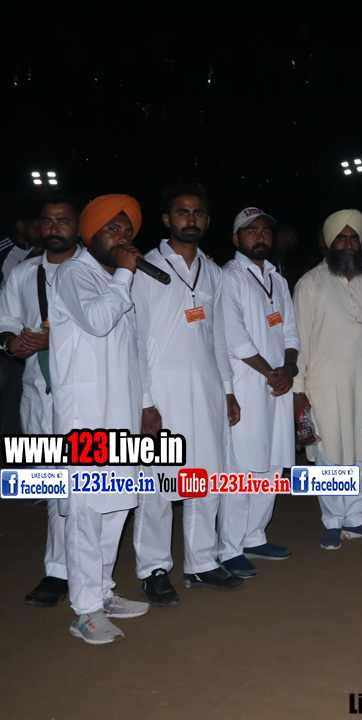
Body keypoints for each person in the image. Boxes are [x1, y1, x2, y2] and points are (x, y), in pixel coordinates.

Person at [132, 183, 242, 605]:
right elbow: (138, 336)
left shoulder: (213, 272)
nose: (190, 219)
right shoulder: (145, 267)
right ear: (167, 219)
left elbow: (218, 337)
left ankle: (201, 562)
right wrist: (145, 401)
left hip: (207, 390)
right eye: (182, 212)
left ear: (208, 221)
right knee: (159, 484)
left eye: (198, 213)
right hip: (163, 393)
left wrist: (227, 390)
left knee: (207, 477)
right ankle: (154, 569)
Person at [51, 194, 150, 643]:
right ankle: (84, 610)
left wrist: (144, 404)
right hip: (86, 419)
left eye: (128, 231)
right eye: (112, 229)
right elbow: (96, 321)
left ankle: (103, 592)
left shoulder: (116, 280)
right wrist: (126, 275)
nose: (122, 238)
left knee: (116, 506)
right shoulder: (73, 273)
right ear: (89, 233)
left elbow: (133, 351)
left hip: (121, 415)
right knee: (86, 513)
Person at [293, 209, 362, 550]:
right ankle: (332, 520)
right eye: (342, 238)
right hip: (323, 385)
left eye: (354, 238)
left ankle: (355, 515)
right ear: (328, 242)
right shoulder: (310, 284)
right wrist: (298, 391)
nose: (349, 244)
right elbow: (300, 342)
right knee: (330, 450)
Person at [0, 194, 81, 608]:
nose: (54, 228)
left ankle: (85, 569)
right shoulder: (23, 273)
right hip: (40, 393)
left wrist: (58, 339)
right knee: (54, 484)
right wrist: (11, 343)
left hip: (86, 395)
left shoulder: (97, 271)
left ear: (78, 225)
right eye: (47, 221)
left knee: (85, 485)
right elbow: (6, 322)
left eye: (63, 221)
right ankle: (59, 571)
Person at [217, 207, 300, 578]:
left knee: (273, 463)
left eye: (266, 231)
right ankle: (229, 547)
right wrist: (272, 372)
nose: (260, 237)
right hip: (248, 384)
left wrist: (289, 369)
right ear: (236, 239)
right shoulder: (228, 277)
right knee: (243, 466)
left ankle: (254, 536)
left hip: (277, 384)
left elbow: (291, 331)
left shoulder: (277, 280)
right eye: (251, 231)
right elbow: (234, 337)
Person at [0, 197, 42, 437]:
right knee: (11, 391)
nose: (43, 232)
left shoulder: (44, 251)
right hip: (8, 335)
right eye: (37, 227)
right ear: (20, 225)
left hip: (34, 334)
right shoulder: (4, 250)